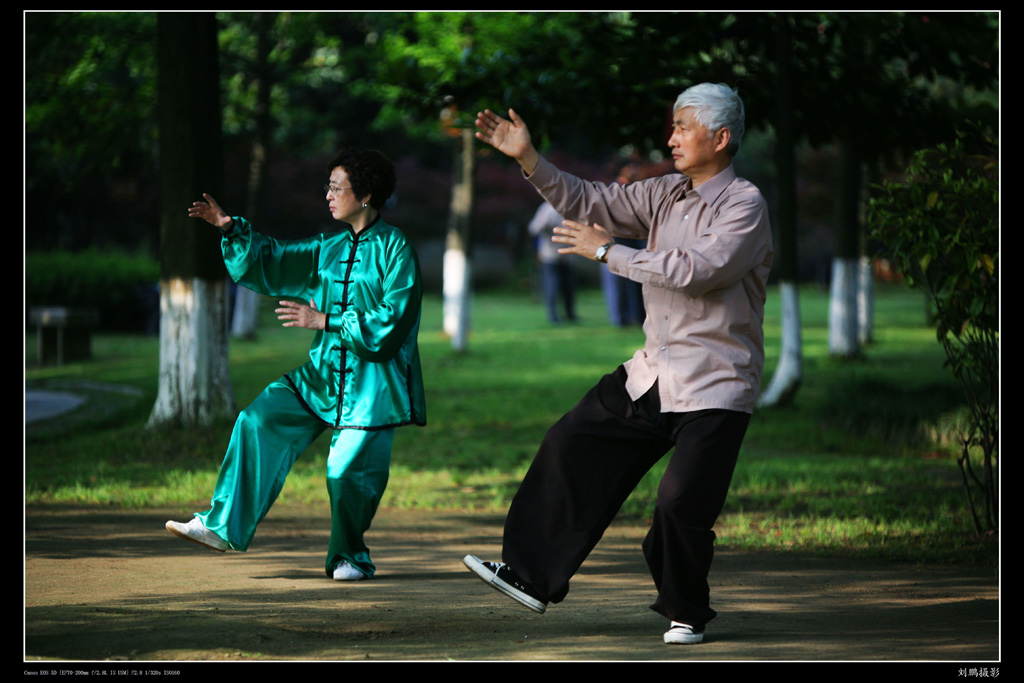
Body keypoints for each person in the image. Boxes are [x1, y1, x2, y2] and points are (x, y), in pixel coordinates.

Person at [464, 83, 772, 644]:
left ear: (721, 137)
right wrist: (530, 159)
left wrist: (609, 252)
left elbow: (697, 270)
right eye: (672, 126)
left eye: (683, 127)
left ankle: (686, 610)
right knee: (572, 441)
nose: (671, 137)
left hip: (717, 383)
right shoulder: (664, 193)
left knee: (679, 504)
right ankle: (530, 576)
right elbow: (591, 200)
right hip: (655, 373)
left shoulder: (744, 205)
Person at [166, 148, 426, 582]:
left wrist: (324, 319)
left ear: (365, 195)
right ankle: (220, 524)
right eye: (328, 186)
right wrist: (231, 228)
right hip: (319, 378)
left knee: (347, 476)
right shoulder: (327, 247)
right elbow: (274, 258)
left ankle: (350, 557)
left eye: (336, 187)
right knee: (257, 420)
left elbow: (392, 320)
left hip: (371, 388)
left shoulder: (396, 249)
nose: (327, 195)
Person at [528, 201, 577, 323]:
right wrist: (543, 226)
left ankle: (570, 314)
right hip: (550, 255)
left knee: (569, 286)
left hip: (568, 254)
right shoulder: (547, 208)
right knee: (552, 286)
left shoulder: (571, 207)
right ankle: (553, 315)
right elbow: (533, 228)